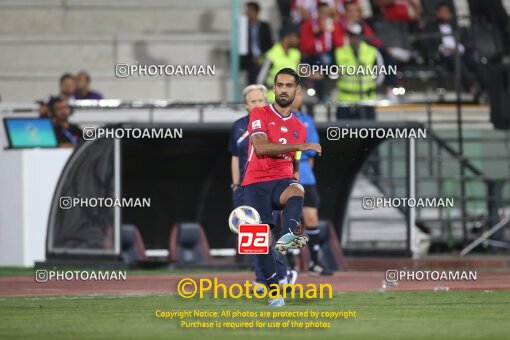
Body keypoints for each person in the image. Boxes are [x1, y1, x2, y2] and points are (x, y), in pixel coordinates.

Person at [242, 68, 322, 307]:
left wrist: (295, 178)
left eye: (289, 86)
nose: (283, 89)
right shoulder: (259, 113)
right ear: (274, 88)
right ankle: (274, 293)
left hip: (281, 179)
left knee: (298, 190)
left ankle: (288, 234)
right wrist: (302, 144)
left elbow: (295, 161)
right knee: (259, 243)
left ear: (296, 90)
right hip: (255, 182)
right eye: (279, 85)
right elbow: (261, 147)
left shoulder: (300, 125)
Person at [228, 84, 297, 291]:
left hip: (265, 184)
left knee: (262, 233)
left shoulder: (271, 124)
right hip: (244, 185)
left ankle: (282, 273)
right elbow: (234, 157)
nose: (258, 104)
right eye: (253, 101)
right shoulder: (238, 126)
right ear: (246, 105)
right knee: (251, 236)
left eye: (261, 100)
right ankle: (262, 278)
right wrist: (235, 184)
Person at [291, 88, 332, 275]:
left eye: (299, 94)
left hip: (306, 176)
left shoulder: (307, 120)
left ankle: (314, 261)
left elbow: (313, 147)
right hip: (285, 175)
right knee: (290, 219)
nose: (296, 98)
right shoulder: (276, 119)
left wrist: (297, 149)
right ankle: (290, 261)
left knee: (311, 218)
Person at [425, 2, 487, 101]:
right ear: (437, 13)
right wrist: (446, 49)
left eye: (447, 12)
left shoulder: (457, 27)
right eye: (442, 12)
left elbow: (466, 44)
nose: (445, 14)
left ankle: (487, 88)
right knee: (457, 61)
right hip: (445, 56)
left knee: (476, 61)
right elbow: (431, 45)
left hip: (460, 53)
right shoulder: (431, 28)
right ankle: (471, 89)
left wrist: (458, 49)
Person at [335, 23, 384, 120]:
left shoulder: (372, 51)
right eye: (352, 36)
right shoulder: (339, 52)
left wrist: (371, 87)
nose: (355, 39)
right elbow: (331, 73)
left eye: (358, 36)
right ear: (348, 37)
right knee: (343, 133)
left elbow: (381, 73)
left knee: (368, 133)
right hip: (345, 100)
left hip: (366, 100)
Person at [256, 25, 301, 103]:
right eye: (295, 36)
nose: (298, 39)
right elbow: (260, 80)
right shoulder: (271, 56)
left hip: (291, 101)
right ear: (287, 37)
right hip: (273, 99)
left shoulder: (296, 54)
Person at [241, 2, 273, 85]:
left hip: (263, 59)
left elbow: (269, 44)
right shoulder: (244, 27)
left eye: (249, 10)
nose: (247, 13)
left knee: (263, 84)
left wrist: (262, 57)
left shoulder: (264, 26)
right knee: (251, 85)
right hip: (250, 61)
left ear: (256, 12)